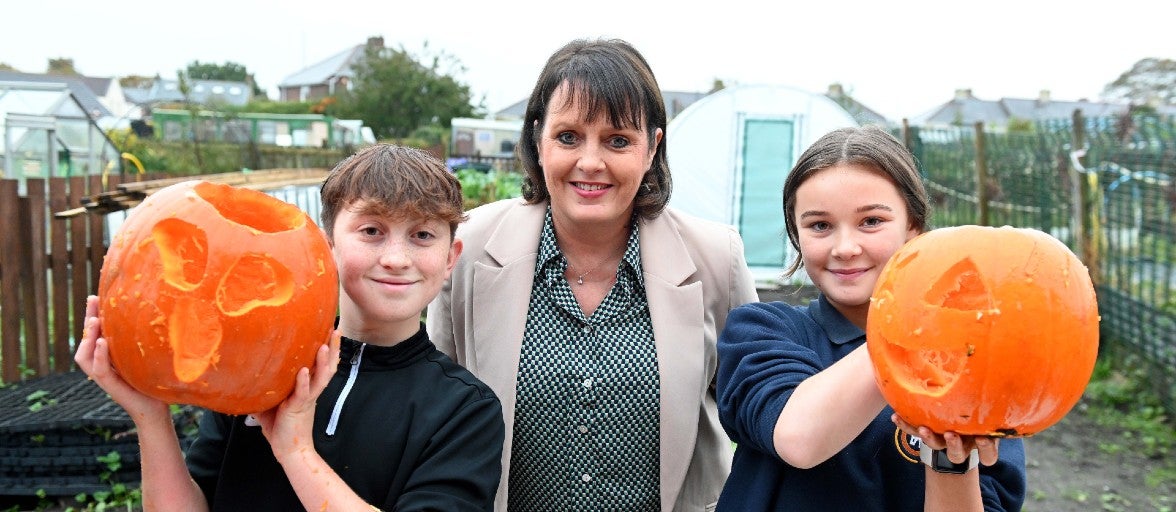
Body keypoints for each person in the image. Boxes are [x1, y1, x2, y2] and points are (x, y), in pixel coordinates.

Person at [75, 144, 505, 511]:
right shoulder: (257, 361)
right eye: (371, 231)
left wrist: (295, 449)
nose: (396, 257)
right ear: (327, 245)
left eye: (423, 236)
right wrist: (150, 417)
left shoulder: (465, 410)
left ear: (451, 258)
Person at [426, 38, 758, 512]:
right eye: (568, 137)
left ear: (652, 148)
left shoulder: (714, 259)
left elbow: (758, 413)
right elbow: (438, 404)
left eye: (618, 140)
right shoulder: (472, 247)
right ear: (537, 138)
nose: (590, 162)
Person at [714, 125, 1027, 511]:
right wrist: (918, 326)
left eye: (871, 221)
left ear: (913, 227)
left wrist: (949, 457)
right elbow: (798, 439)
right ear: (797, 236)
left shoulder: (978, 366)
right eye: (820, 226)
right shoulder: (761, 331)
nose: (846, 247)